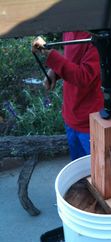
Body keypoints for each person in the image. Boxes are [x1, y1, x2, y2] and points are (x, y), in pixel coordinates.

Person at [32, 32, 104, 160]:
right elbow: (72, 62)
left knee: (96, 169)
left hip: (90, 121)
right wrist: (54, 72)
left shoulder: (96, 37)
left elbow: (84, 77)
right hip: (71, 116)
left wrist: (51, 56)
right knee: (77, 167)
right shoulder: (69, 31)